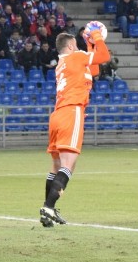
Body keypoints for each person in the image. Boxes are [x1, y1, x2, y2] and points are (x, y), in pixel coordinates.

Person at [40, 29, 111, 227]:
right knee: (68, 164)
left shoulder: (61, 64)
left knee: (56, 166)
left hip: (57, 115)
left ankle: (49, 210)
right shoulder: (76, 56)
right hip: (72, 112)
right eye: (77, 45)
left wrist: (89, 45)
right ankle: (48, 207)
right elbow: (104, 56)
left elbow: (94, 69)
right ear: (71, 46)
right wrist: (96, 37)